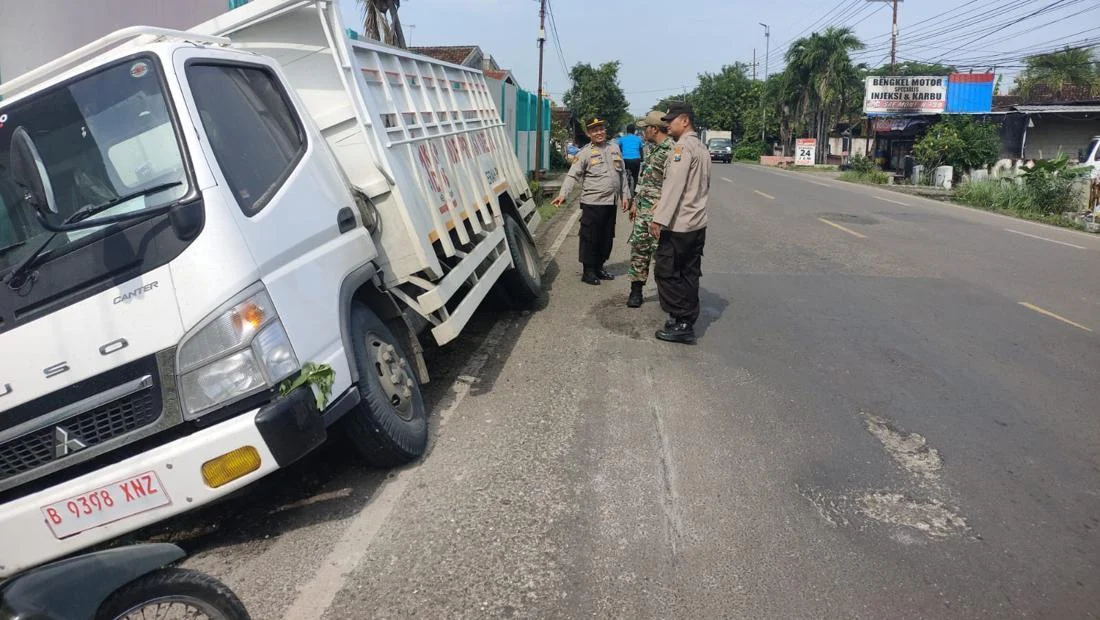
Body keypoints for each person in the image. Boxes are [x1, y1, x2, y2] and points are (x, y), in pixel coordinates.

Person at [649, 102, 710, 343]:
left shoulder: (682, 148)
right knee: (689, 273)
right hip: (697, 223)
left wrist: (659, 219)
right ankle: (684, 318)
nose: (668, 126)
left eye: (671, 121)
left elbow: (674, 186)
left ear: (684, 121)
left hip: (679, 225)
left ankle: (683, 321)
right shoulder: (701, 147)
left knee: (665, 271)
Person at [552, 118, 631, 285]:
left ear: (605, 130)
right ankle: (588, 272)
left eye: (601, 128)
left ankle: (599, 267)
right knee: (590, 238)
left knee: (606, 237)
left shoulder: (614, 148)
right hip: (592, 202)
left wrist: (626, 196)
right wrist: (563, 194)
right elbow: (572, 175)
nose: (599, 132)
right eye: (594, 130)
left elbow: (622, 174)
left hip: (611, 202)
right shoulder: (584, 153)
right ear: (589, 134)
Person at [625, 110, 675, 308]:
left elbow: (674, 183)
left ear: (654, 129)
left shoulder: (671, 150)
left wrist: (662, 204)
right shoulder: (650, 148)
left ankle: (668, 296)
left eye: (645, 128)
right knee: (639, 250)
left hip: (660, 214)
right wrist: (636, 202)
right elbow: (644, 178)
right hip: (643, 209)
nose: (643, 132)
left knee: (661, 255)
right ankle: (636, 291)